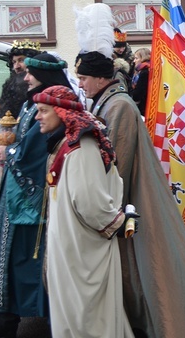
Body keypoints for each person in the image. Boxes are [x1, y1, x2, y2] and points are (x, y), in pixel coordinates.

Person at [75, 2, 185, 337]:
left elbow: (117, 163)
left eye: (84, 78)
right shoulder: (106, 101)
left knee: (152, 270)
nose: (82, 85)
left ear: (100, 78)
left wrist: (101, 202)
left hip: (134, 203)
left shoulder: (119, 107)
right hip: (127, 200)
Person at [33, 85, 135, 338]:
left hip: (81, 247)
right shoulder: (68, 144)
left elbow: (91, 204)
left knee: (86, 315)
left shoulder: (80, 147)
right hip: (73, 244)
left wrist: (117, 222)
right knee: (79, 311)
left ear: (62, 112)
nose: (37, 117)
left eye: (43, 111)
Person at [0, 53, 71, 338]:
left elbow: (31, 154)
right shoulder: (35, 103)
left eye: (30, 72)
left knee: (28, 265)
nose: (25, 76)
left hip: (30, 206)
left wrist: (11, 151)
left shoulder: (54, 106)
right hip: (18, 200)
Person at [0, 40, 41, 120]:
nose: (16, 67)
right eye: (14, 62)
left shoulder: (41, 89)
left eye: (21, 60)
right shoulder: (10, 86)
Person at [130, 47, 151, 115]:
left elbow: (138, 93)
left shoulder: (144, 72)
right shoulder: (141, 70)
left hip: (143, 107)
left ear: (143, 58)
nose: (134, 61)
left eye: (136, 58)